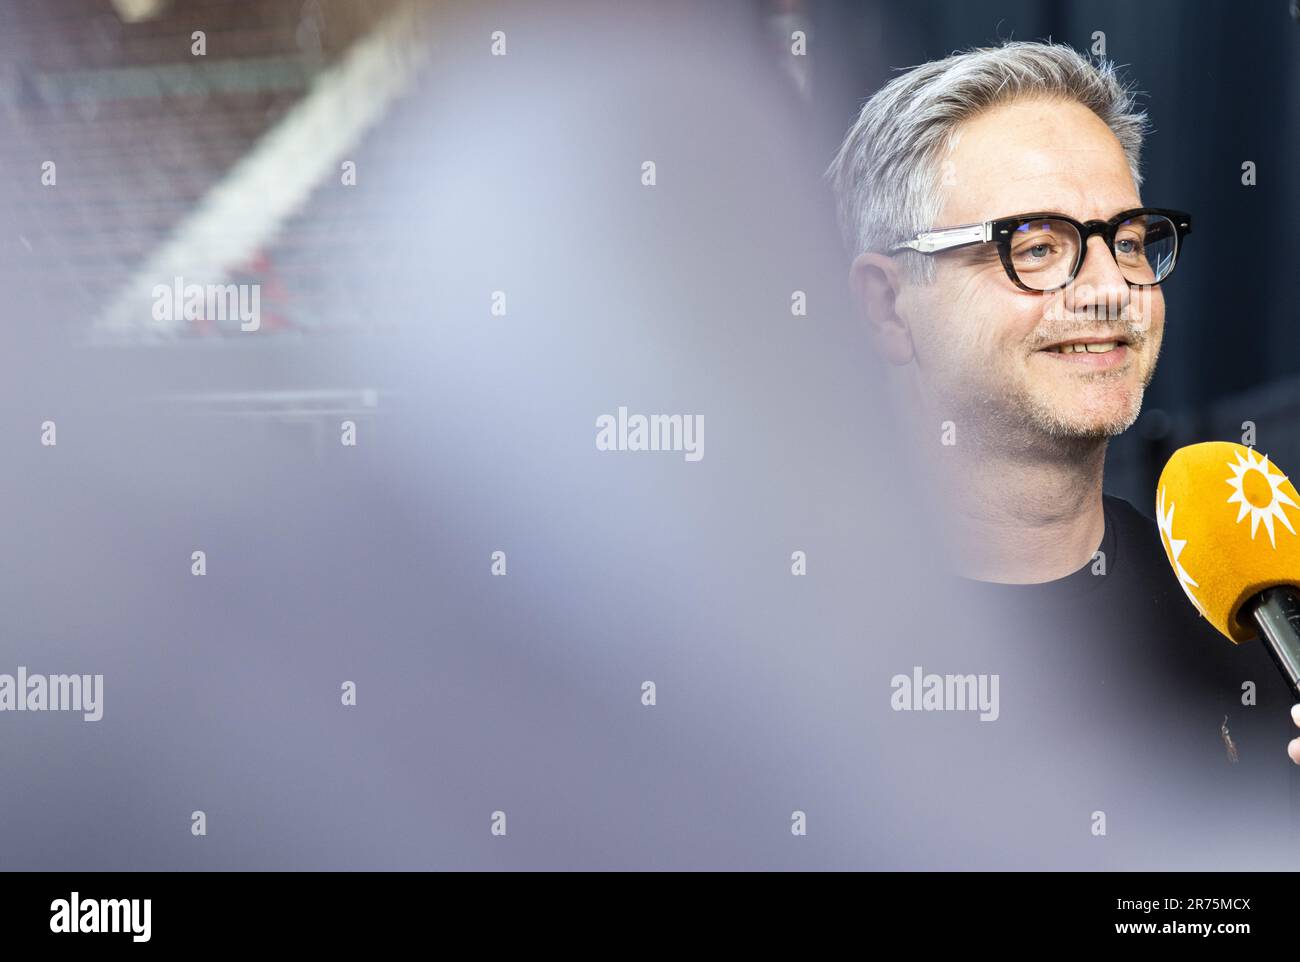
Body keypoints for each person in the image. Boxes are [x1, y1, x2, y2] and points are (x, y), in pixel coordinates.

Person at [825, 40, 1300, 862]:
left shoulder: (1254, 615)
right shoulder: (766, 646)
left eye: (1125, 238)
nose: (1110, 287)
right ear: (888, 307)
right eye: (1036, 246)